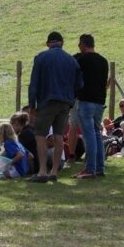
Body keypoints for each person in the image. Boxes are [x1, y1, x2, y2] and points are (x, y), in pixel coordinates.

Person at [27, 31, 83, 183]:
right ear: (62, 43)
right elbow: (79, 85)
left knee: (40, 135)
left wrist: (32, 105)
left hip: (47, 100)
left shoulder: (41, 58)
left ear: (48, 44)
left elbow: (34, 83)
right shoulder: (71, 60)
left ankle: (42, 171)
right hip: (65, 103)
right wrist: (71, 99)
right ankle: (54, 171)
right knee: (59, 136)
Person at [73, 34, 110, 179]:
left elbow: (77, 79)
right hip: (99, 102)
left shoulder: (82, 60)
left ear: (83, 44)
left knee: (88, 135)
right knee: (96, 134)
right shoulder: (103, 61)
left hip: (86, 100)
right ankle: (100, 167)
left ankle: (90, 168)